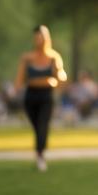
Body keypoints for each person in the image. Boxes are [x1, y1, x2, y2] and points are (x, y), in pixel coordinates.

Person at [13, 25, 67, 171]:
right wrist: (16, 90)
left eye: (42, 37)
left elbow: (61, 75)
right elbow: (20, 78)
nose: (39, 40)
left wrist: (60, 78)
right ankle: (40, 150)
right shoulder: (27, 58)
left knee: (43, 124)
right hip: (31, 94)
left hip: (46, 94)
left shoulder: (53, 57)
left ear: (47, 38)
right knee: (36, 125)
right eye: (37, 37)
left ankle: (40, 155)